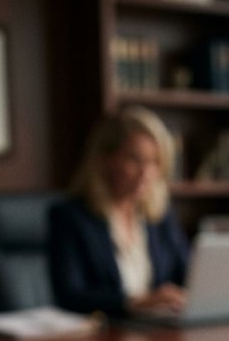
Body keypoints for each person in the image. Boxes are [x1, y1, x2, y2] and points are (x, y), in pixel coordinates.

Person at [48, 108, 190, 318]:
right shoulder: (71, 217)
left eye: (154, 162)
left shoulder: (160, 215)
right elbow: (70, 296)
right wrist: (136, 302)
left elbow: (188, 274)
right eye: (135, 159)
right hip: (108, 336)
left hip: (161, 331)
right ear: (105, 159)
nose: (146, 173)